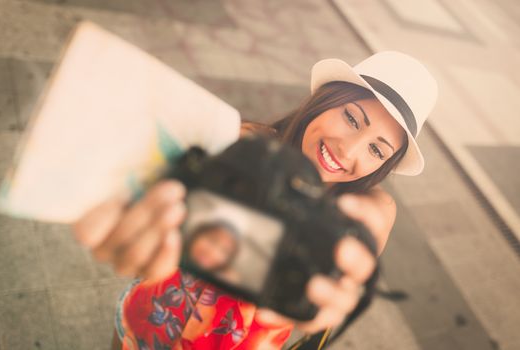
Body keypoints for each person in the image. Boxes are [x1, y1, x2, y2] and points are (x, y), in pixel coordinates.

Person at [72, 51, 437, 349]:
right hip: (151, 320)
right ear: (325, 100)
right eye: (352, 118)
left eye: (377, 149)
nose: (349, 150)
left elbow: (360, 247)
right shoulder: (242, 143)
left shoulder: (360, 210)